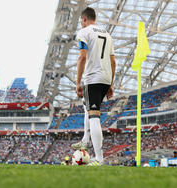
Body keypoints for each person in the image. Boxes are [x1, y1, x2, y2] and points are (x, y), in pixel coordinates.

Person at [71, 7, 116, 166]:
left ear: (84, 19)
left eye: (80, 21)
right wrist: (110, 83)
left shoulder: (84, 32)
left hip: (93, 78)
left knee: (94, 116)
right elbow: (113, 62)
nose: (81, 24)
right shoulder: (107, 34)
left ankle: (99, 158)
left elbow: (82, 57)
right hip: (105, 78)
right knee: (86, 106)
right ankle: (85, 139)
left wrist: (78, 82)